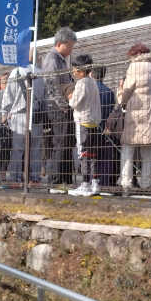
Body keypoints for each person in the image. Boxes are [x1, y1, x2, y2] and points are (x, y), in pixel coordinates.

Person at [117, 44, 151, 196]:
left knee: (128, 148)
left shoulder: (134, 67)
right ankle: (146, 183)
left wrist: (120, 97)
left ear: (136, 54)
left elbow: (127, 90)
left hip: (136, 114)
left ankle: (126, 182)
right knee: (147, 150)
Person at [41, 26, 77, 185]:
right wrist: (62, 104)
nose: (71, 49)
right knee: (60, 142)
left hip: (63, 105)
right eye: (69, 45)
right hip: (56, 105)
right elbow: (51, 83)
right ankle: (55, 179)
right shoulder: (52, 58)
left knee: (66, 142)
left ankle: (65, 178)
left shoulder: (61, 59)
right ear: (60, 43)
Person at [1, 57, 44, 184]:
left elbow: (9, 95)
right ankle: (34, 179)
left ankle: (15, 178)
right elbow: (45, 96)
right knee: (35, 150)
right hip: (37, 115)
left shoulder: (16, 72)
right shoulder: (41, 73)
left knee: (18, 149)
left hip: (19, 115)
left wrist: (4, 113)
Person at [66, 54, 101, 196]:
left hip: (83, 121)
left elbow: (75, 102)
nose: (73, 72)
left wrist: (70, 97)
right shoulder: (93, 82)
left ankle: (85, 183)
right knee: (93, 154)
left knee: (83, 152)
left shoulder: (81, 83)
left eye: (74, 70)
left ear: (80, 71)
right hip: (94, 121)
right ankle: (94, 183)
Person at [91, 64, 118, 189]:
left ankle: (92, 181)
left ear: (91, 73)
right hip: (105, 127)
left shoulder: (89, 90)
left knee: (90, 156)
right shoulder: (110, 92)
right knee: (105, 156)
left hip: (90, 127)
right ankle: (104, 182)